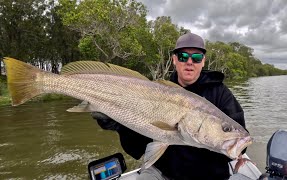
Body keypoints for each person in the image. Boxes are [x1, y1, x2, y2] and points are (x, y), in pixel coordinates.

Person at [92, 33, 247, 180]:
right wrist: (116, 123)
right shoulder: (154, 92)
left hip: (209, 175)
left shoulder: (220, 93)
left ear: (203, 61)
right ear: (174, 59)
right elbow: (138, 147)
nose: (189, 62)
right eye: (183, 56)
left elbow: (240, 142)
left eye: (197, 57)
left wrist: (227, 143)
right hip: (162, 172)